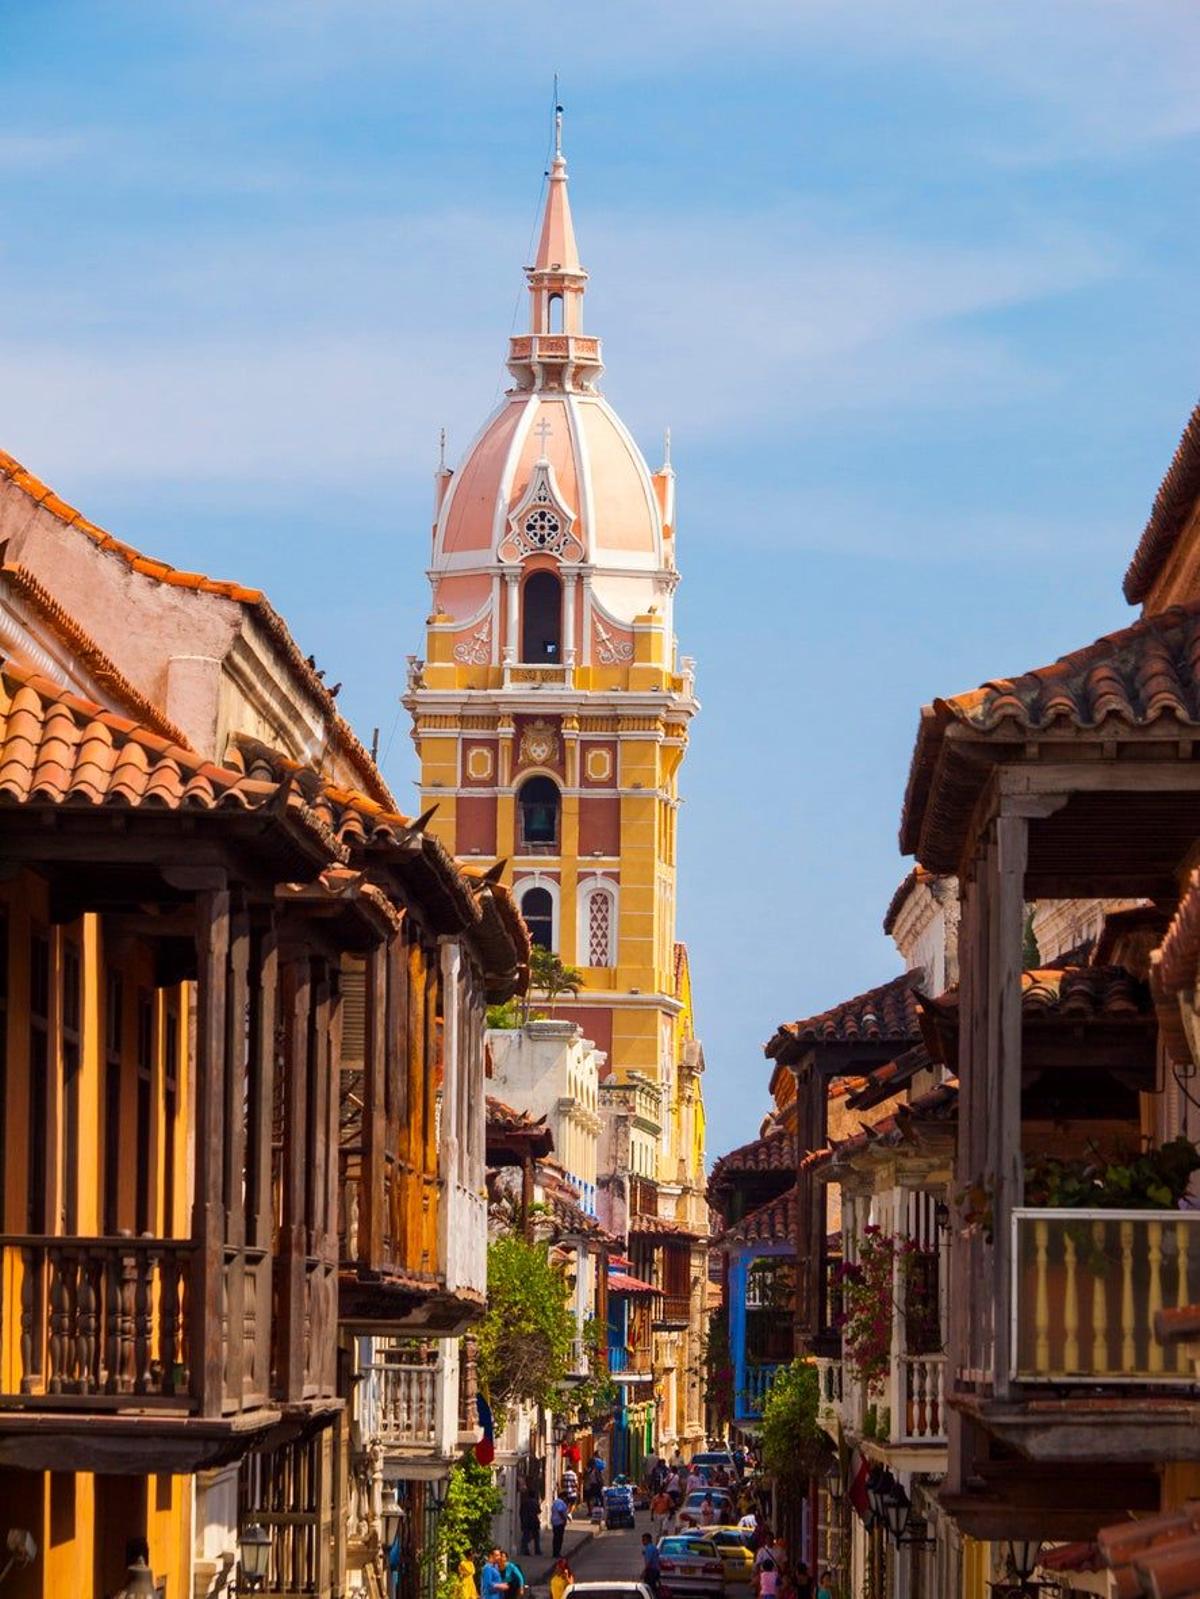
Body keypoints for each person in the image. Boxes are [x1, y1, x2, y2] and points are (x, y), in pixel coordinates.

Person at [550, 1489, 570, 1558]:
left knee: (556, 1537)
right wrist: (564, 1519)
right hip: (559, 1522)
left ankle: (555, 1552)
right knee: (559, 1538)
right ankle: (557, 1552)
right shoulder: (560, 1502)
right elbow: (560, 1511)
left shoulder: (555, 1502)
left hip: (555, 1522)